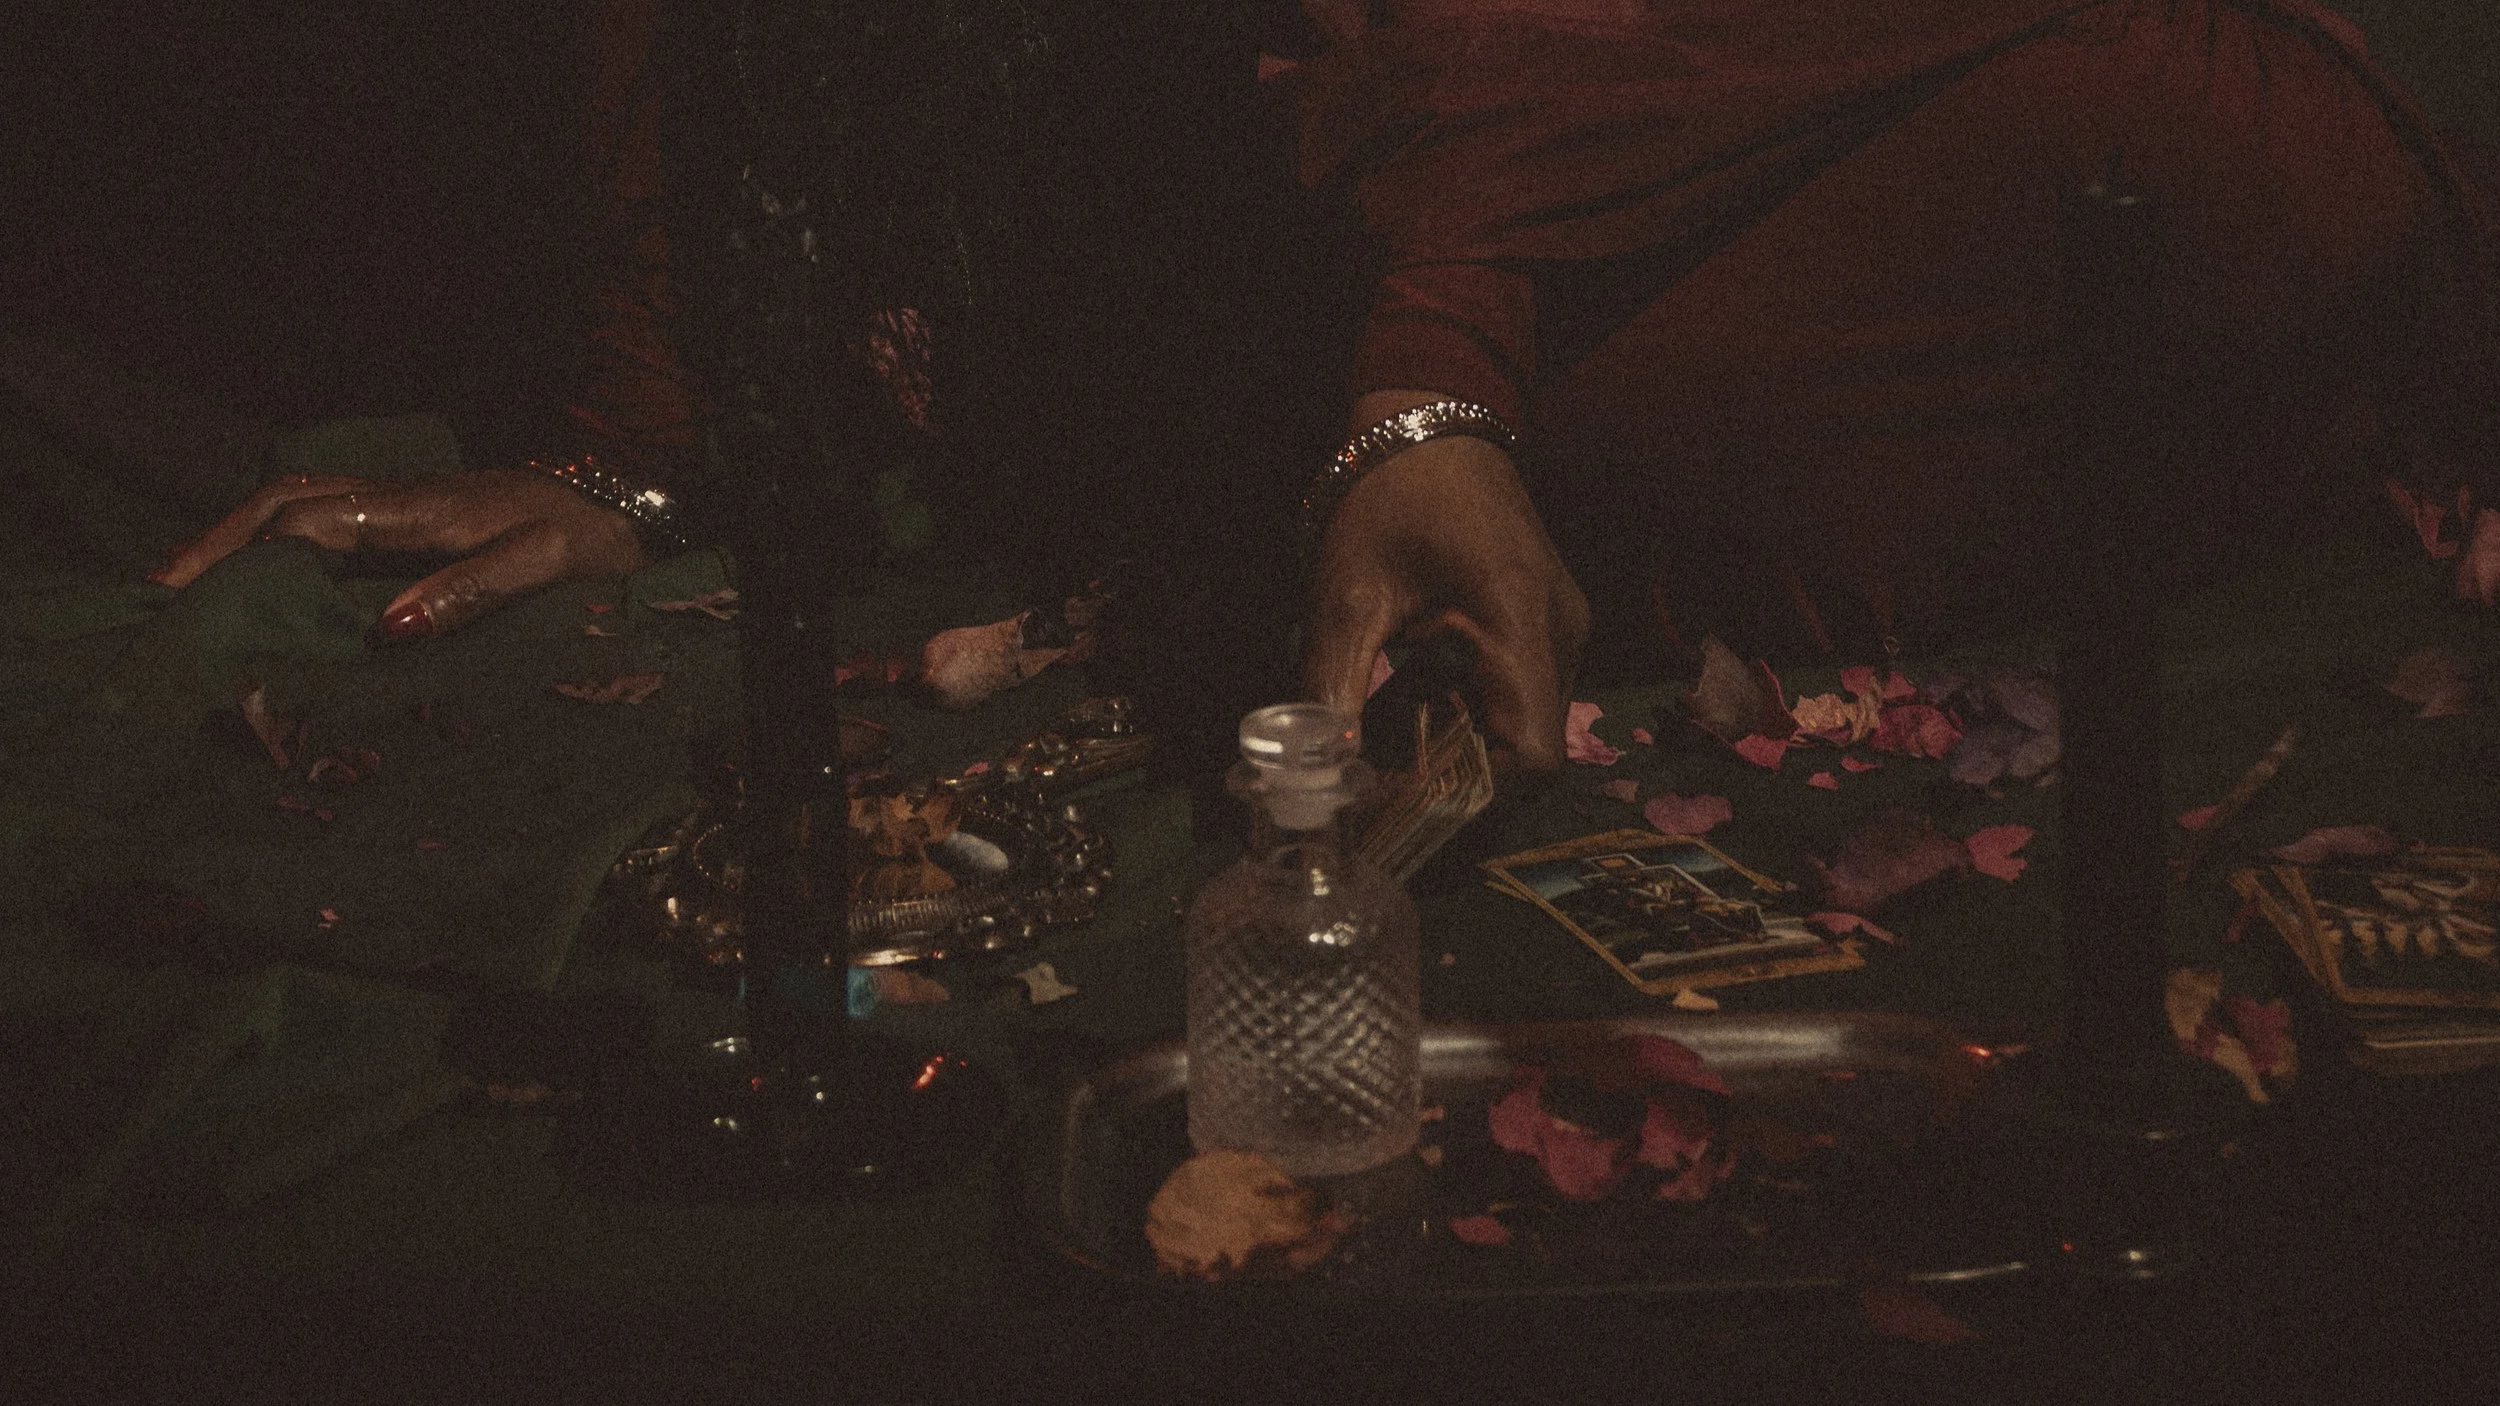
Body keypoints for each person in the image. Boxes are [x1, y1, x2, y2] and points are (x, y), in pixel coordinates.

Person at [158, 0, 2500, 778]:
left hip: (2015, 137)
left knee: (2214, 180)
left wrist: (1425, 384)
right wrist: (633, 451)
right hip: (1358, 266)